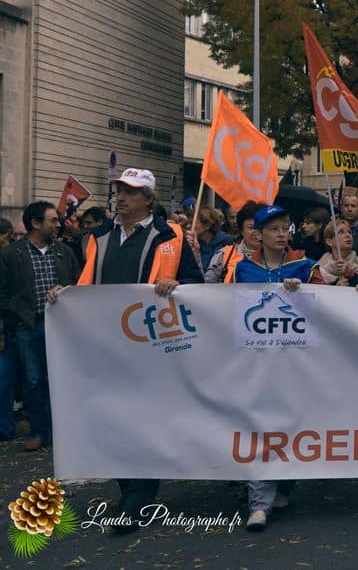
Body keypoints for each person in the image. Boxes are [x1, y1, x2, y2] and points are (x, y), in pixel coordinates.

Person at [74, 168, 202, 534]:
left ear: (148, 199)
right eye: (119, 191)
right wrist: (62, 297)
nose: (121, 197)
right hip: (106, 344)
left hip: (150, 344)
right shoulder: (98, 236)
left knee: (144, 418)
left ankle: (138, 497)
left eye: (130, 192)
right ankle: (130, 490)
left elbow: (195, 284)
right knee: (115, 418)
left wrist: (177, 284)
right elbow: (85, 284)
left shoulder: (171, 236)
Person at [230, 205, 327, 532]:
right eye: (274, 229)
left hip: (296, 364)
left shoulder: (304, 266)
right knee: (259, 426)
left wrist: (310, 289)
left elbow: (331, 302)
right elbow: (223, 305)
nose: (282, 234)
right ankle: (258, 503)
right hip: (256, 364)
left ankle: (284, 484)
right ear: (258, 235)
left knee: (290, 426)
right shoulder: (243, 269)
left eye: (285, 228)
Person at [0, 201, 81, 449]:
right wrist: (15, 316)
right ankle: (39, 431)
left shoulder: (64, 252)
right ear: (36, 223)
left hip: (61, 326)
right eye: (53, 220)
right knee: (33, 380)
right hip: (28, 325)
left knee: (60, 378)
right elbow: (3, 292)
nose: (59, 224)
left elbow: (78, 283)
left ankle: (63, 431)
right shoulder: (11, 254)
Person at [205, 201, 262, 284]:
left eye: (260, 227)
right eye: (251, 227)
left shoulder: (277, 256)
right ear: (241, 230)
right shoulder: (224, 254)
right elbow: (206, 285)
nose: (256, 232)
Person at [316, 219, 358, 287]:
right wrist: (336, 287)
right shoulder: (319, 269)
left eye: (349, 232)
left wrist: (349, 273)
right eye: (341, 232)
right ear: (329, 241)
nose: (348, 235)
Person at [192, 205, 233, 271]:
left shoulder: (226, 243)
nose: (190, 226)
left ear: (207, 225)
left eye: (193, 222)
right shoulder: (194, 244)